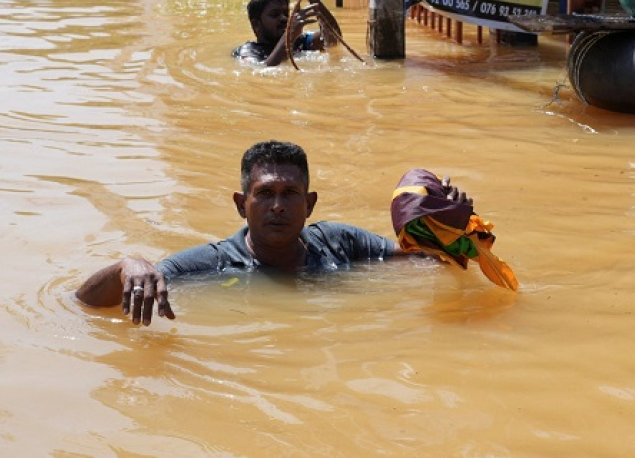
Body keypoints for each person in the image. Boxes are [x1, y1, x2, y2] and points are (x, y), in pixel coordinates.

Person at [75, 140, 463, 326]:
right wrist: (126, 265)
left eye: (290, 194)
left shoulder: (341, 243)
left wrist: (452, 228)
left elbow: (427, 262)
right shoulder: (209, 265)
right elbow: (83, 304)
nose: (277, 206)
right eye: (264, 194)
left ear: (309, 204)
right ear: (241, 204)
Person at [233, 0, 326, 67]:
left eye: (286, 13)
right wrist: (290, 35)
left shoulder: (299, 41)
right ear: (256, 25)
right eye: (275, 14)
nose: (284, 18)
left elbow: (332, 39)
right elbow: (262, 71)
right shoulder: (247, 51)